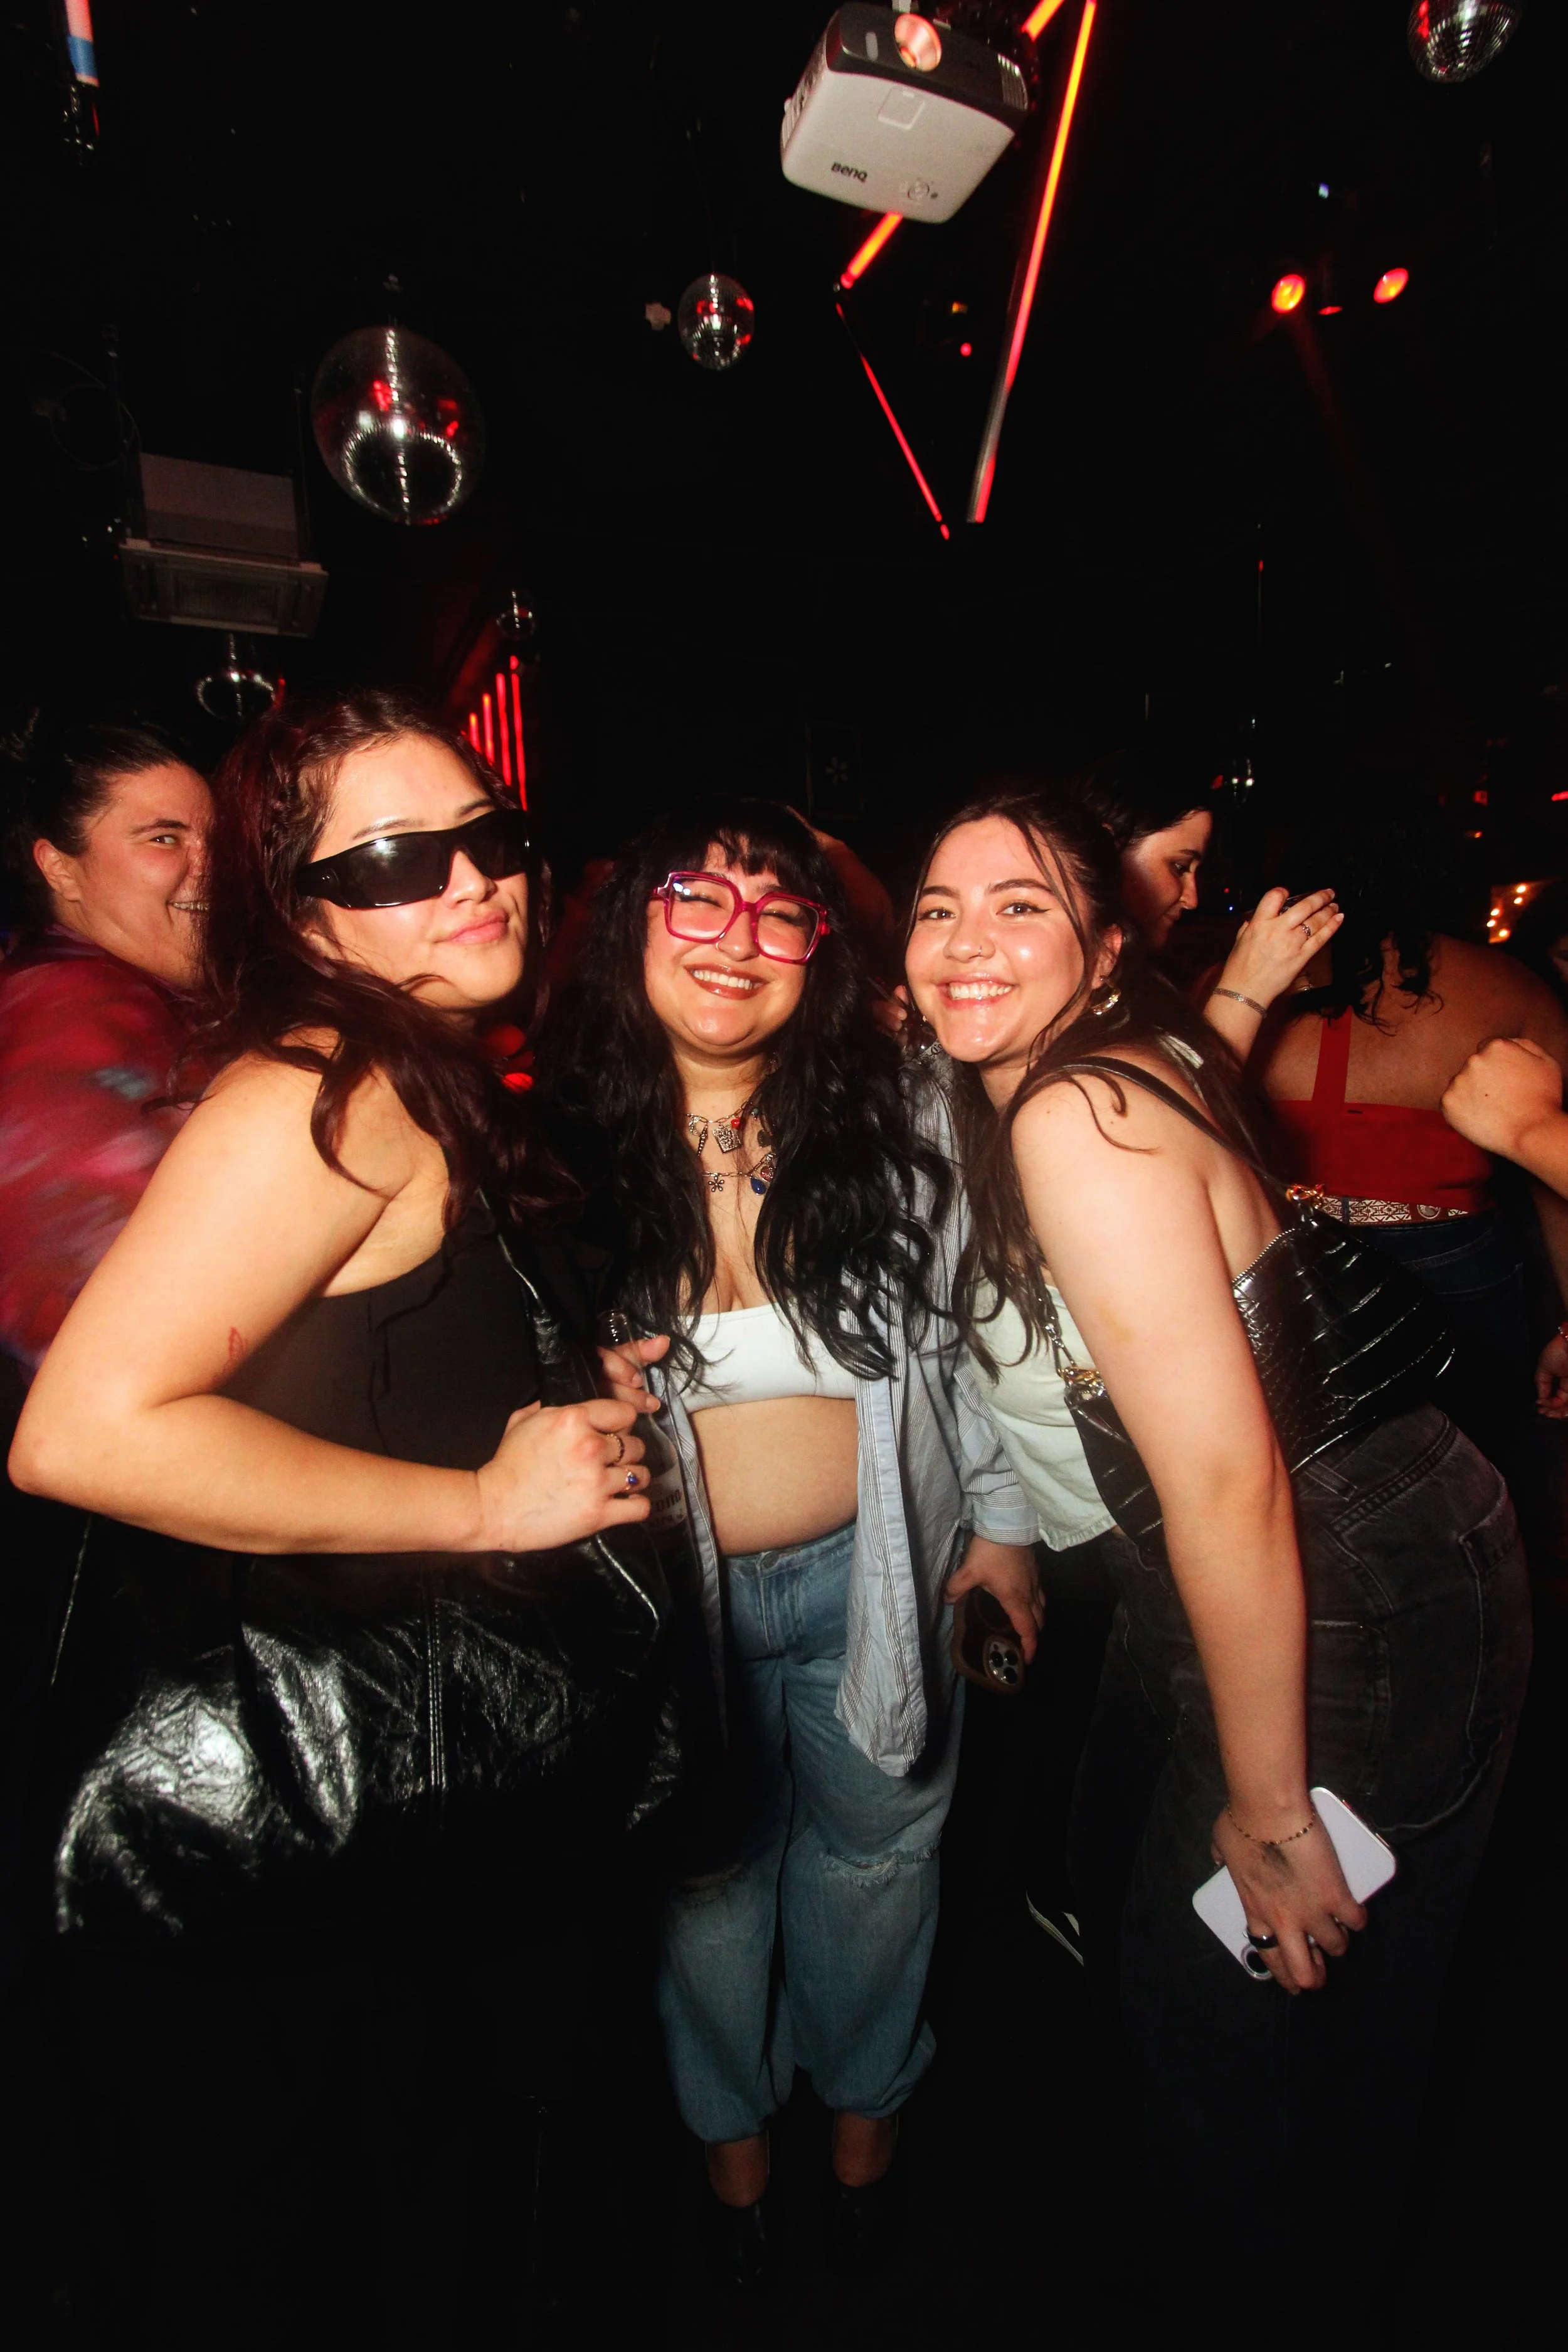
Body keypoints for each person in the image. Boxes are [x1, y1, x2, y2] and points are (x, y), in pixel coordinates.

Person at [9, 688, 675, 2343]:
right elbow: (82, 1431)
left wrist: (552, 1362)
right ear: (300, 909)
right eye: (392, 860)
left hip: (398, 1842)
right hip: (318, 1856)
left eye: (486, 838)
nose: (471, 883)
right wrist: (483, 1495)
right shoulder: (334, 1082)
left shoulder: (420, 1070)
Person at [903, 788, 1530, 2346]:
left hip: (1350, 1571)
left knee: (1255, 2036)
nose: (965, 940)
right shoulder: (1116, 1068)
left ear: (1106, 947)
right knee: (1186, 1975)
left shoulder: (1074, 1112)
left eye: (1020, 905)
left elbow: (1226, 1479)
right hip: (1357, 1532)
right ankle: (1239, 2259)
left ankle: (1266, 2285)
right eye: (935, 905)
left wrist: (1266, 1804)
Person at [546, 798, 1036, 2288]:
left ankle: (867, 2130)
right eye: (697, 895)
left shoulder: (897, 1119)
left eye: (781, 910)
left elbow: (972, 1342)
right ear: (630, 916)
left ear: (822, 953)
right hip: (671, 1607)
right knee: (706, 1887)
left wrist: (1005, 1532)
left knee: (882, 1864)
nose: (736, 936)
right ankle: (732, 2147)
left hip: (874, 1580)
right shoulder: (548, 1150)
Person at [1244, 797, 1568, 1489]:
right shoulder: (1506, 986)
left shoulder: (1240, 988)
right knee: (1474, 1479)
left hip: (1292, 1261)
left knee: (1318, 1491)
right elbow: (1553, 1179)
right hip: (1454, 1267)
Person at [0, 711, 211, 1376]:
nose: (213, 871)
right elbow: (97, 1361)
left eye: (217, 842)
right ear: (60, 869)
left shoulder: (129, 995)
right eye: (164, 838)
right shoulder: (72, 1014)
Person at [1073, 743, 1342, 1052]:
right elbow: (1178, 1097)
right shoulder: (1061, 977)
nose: (1192, 899)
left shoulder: (1132, 980)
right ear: (1108, 849)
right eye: (1179, 867)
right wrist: (1247, 989)